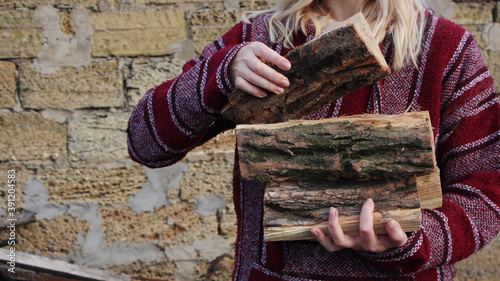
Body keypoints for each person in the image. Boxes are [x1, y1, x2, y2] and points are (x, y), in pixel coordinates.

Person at [127, 0, 500, 279]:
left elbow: (486, 193)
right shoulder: (260, 40)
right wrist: (221, 74)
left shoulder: (447, 50)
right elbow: (145, 142)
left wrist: (410, 243)